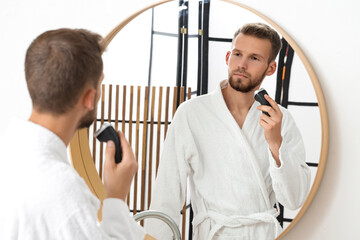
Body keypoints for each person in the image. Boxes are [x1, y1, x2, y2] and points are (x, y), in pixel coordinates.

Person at [146, 23, 311, 240]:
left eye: (254, 58)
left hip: (263, 234)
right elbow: (167, 189)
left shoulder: (281, 121)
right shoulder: (191, 113)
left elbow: (295, 199)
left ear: (270, 68)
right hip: (213, 233)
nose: (242, 64)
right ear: (227, 57)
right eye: (237, 54)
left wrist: (275, 143)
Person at [0, 28, 148, 239]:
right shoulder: (61, 190)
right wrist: (116, 198)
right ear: (90, 97)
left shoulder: (9, 153)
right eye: (100, 83)